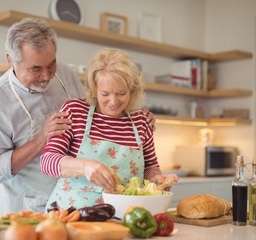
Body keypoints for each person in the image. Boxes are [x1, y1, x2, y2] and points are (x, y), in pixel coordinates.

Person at [0, 18, 155, 216]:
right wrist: (41, 139)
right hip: (30, 207)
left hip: (88, 206)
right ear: (11, 60)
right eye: (36, 69)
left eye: (51, 64)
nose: (47, 75)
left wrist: (134, 113)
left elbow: (98, 110)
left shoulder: (65, 73)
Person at [40, 48, 179, 210]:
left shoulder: (141, 120)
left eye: (121, 93)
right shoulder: (75, 111)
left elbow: (150, 166)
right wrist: (84, 166)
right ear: (94, 89)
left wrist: (156, 180)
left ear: (132, 90)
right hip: (72, 215)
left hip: (123, 215)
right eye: (105, 94)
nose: (113, 102)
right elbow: (47, 161)